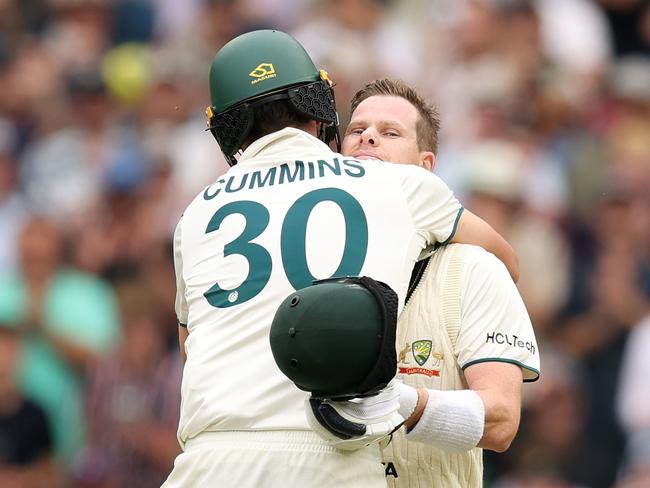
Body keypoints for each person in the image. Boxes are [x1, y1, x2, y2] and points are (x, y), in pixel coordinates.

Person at [164, 30, 518, 488]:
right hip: (325, 456)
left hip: (204, 463)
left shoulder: (195, 215)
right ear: (319, 106)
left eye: (388, 132)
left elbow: (191, 347)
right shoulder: (397, 185)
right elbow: (501, 259)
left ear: (226, 128)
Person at [304, 79, 541, 487]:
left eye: (390, 133)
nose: (369, 137)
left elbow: (501, 419)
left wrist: (400, 403)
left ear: (425, 167)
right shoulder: (304, 263)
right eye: (357, 131)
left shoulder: (474, 269)